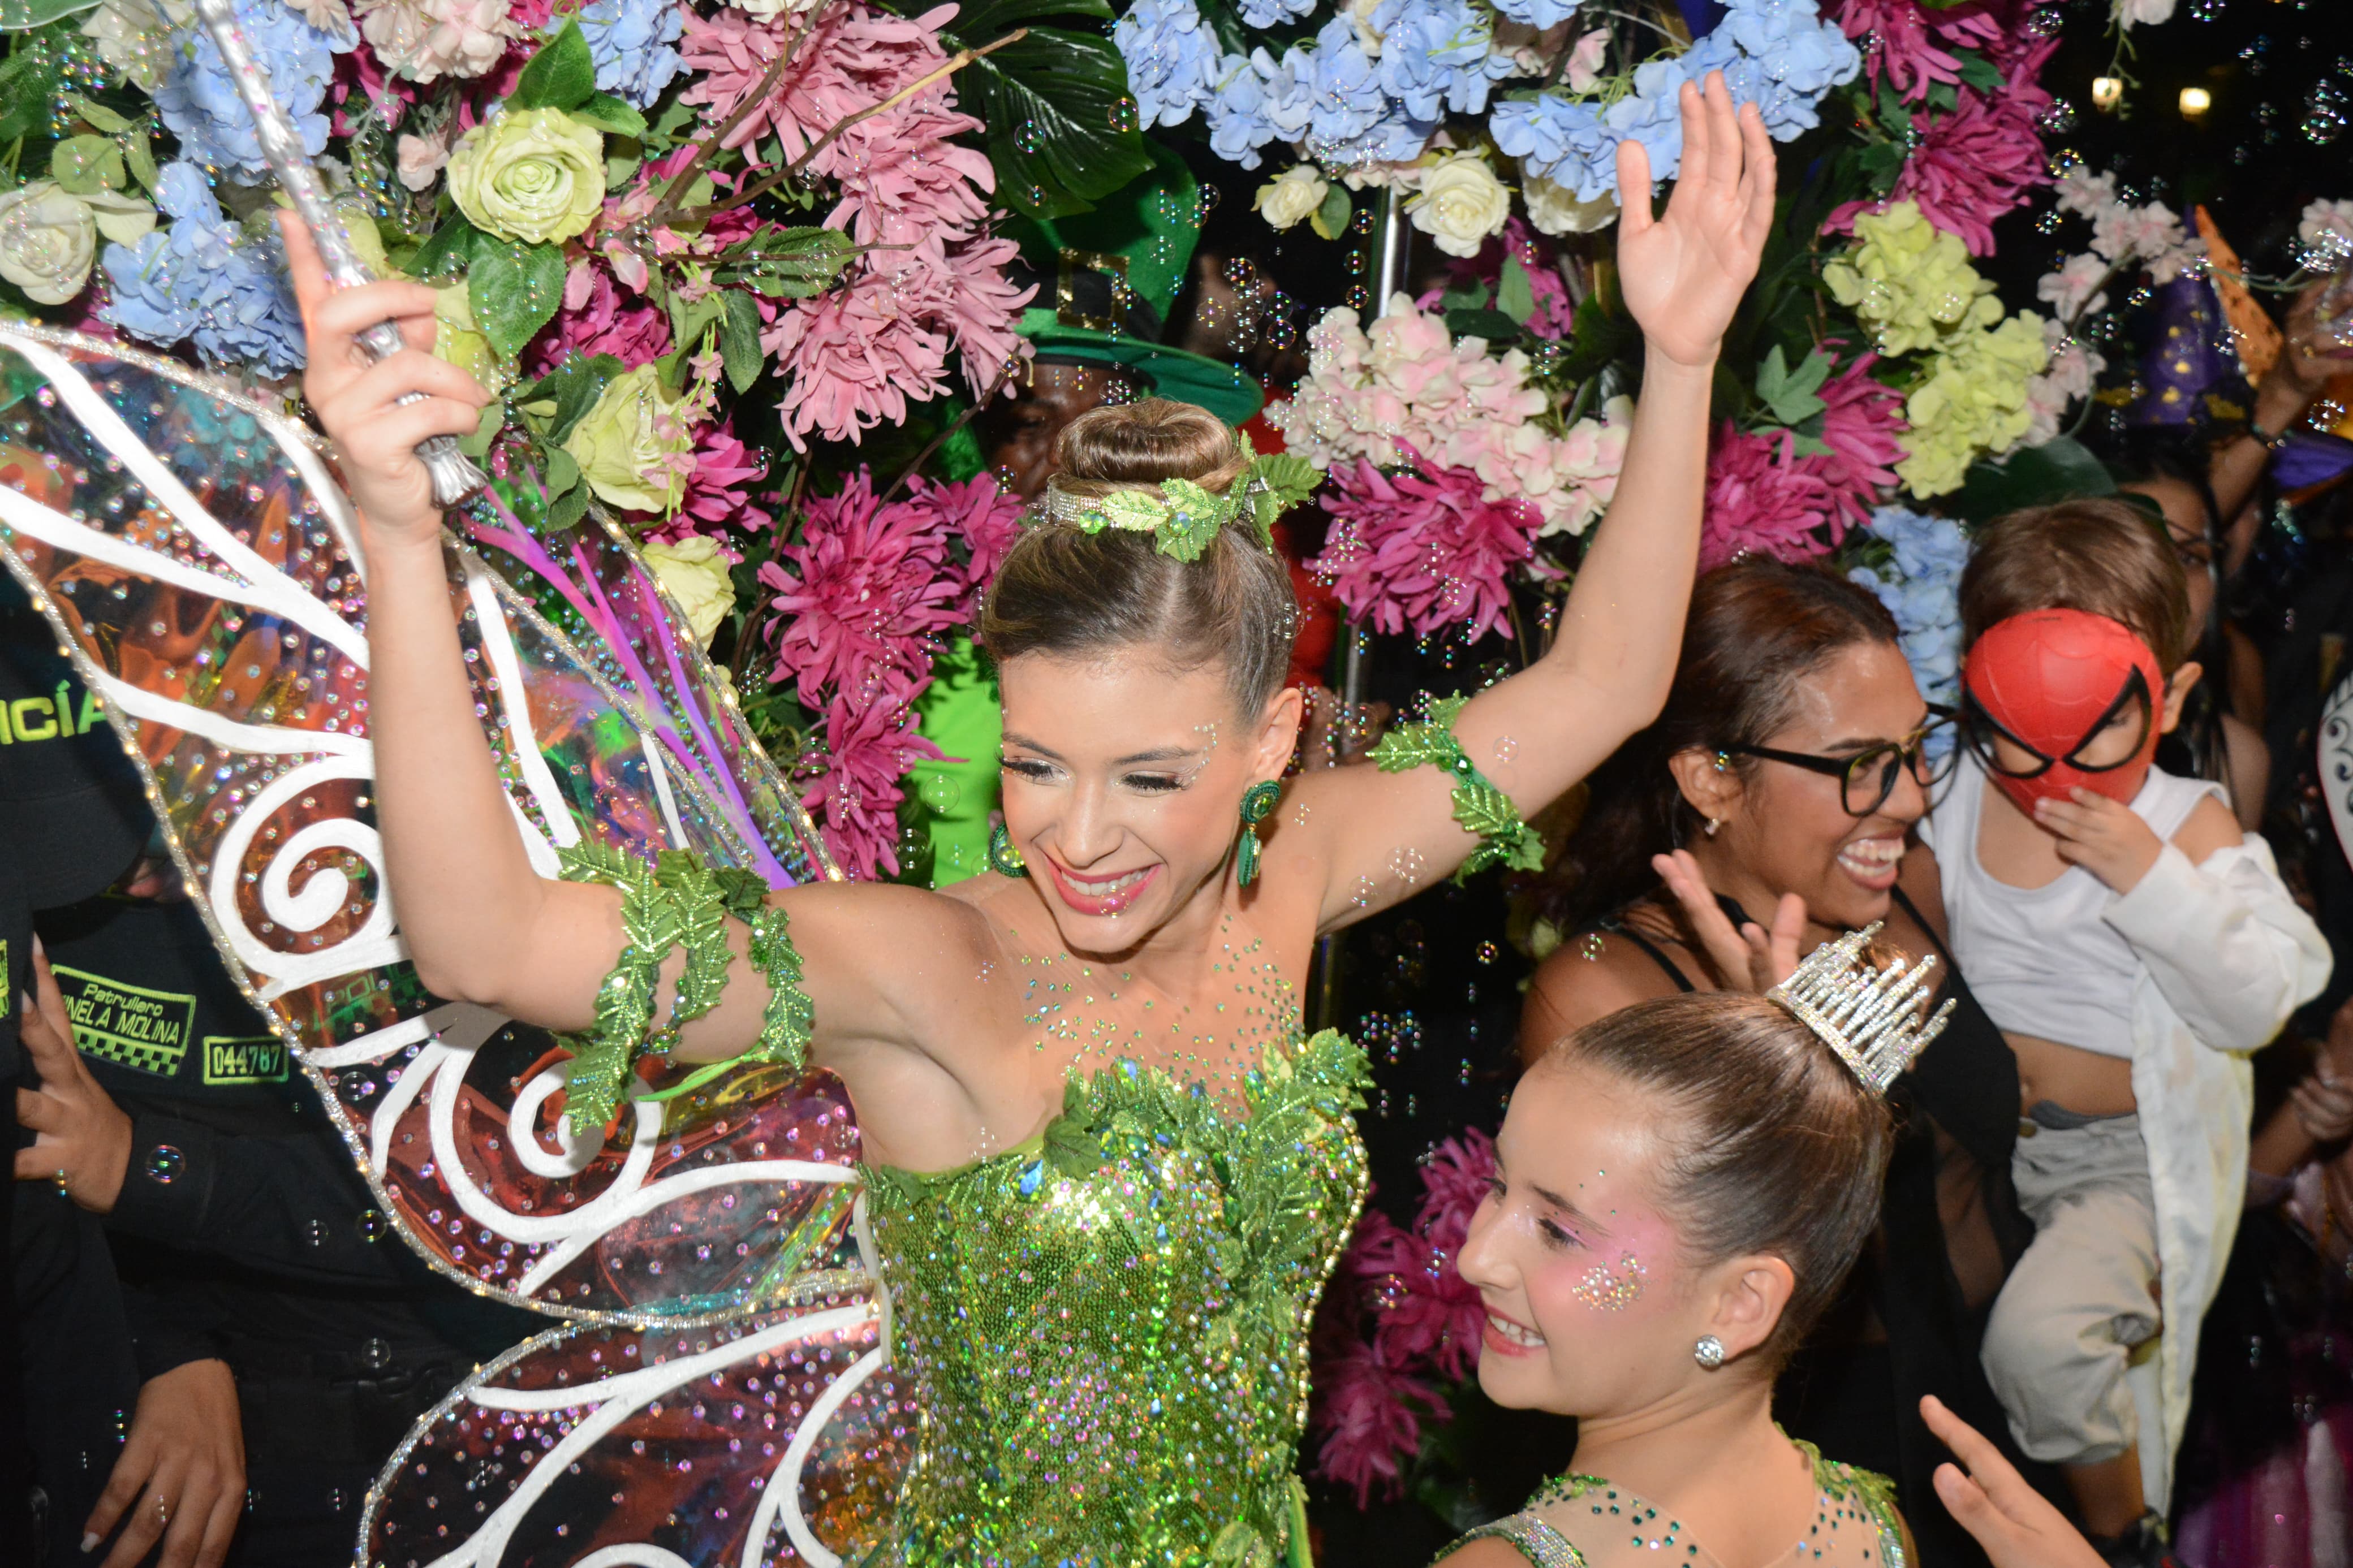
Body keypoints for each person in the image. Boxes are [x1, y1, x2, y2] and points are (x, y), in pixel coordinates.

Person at [285, 75, 1777, 1566]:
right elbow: (491, 943)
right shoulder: (925, 970)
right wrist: (397, 534)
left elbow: (1603, 682)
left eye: (1147, 777)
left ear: (1269, 743)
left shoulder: (1298, 870)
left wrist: (1683, 352)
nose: (1081, 834)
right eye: (1039, 762)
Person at [1522, 557, 2043, 1567]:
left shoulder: (1907, 889)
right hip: (1792, 1487)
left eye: (1915, 747)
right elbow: (1654, 1327)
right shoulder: (1604, 994)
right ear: (1711, 774)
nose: (1910, 797)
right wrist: (1785, 1068)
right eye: (1859, 763)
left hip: (1989, 1420)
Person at [1924, 499, 2330, 1562]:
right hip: (1976, 1150)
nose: (2054, 740)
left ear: (2170, 694)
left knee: (2042, 1345)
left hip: (2118, 1166)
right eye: (2021, 697)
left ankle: (2118, 1532)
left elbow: (2265, 994)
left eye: (2096, 708)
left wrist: (2150, 878)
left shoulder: (2182, 823)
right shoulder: (1959, 783)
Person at [1433, 931, 1947, 1567]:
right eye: (1497, 1185)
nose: (1474, 1258)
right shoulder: (1874, 1531)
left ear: (1738, 1302)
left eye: (1558, 1231)